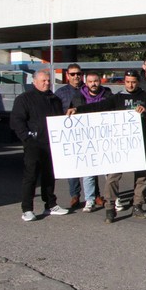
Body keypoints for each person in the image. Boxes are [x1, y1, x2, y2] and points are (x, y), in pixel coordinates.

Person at [68, 69, 146, 223]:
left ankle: (138, 205)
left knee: (141, 177)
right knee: (113, 177)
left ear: (138, 82)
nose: (130, 85)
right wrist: (78, 110)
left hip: (140, 143)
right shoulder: (117, 98)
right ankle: (110, 208)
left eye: (133, 82)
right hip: (120, 144)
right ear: (124, 81)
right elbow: (98, 107)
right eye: (128, 81)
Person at [10, 70, 70, 221]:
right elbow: (17, 121)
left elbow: (59, 120)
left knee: (49, 176)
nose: (47, 83)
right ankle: (27, 209)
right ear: (34, 82)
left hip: (51, 144)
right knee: (31, 176)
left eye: (48, 80)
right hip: (33, 144)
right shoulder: (24, 99)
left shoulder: (54, 99)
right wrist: (27, 138)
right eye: (43, 81)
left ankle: (50, 205)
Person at [69, 71, 112, 212]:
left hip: (105, 137)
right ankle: (90, 199)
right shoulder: (77, 97)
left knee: (108, 171)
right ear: (86, 83)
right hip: (86, 138)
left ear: (100, 81)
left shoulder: (108, 95)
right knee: (88, 170)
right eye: (91, 81)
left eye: (96, 81)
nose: (93, 84)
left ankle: (111, 198)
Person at [55, 63, 85, 209]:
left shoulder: (88, 89)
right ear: (67, 75)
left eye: (78, 74)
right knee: (73, 165)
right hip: (69, 133)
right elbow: (55, 112)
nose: (76, 76)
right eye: (72, 74)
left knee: (91, 165)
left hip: (87, 132)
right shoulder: (60, 93)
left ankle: (95, 194)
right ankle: (75, 195)